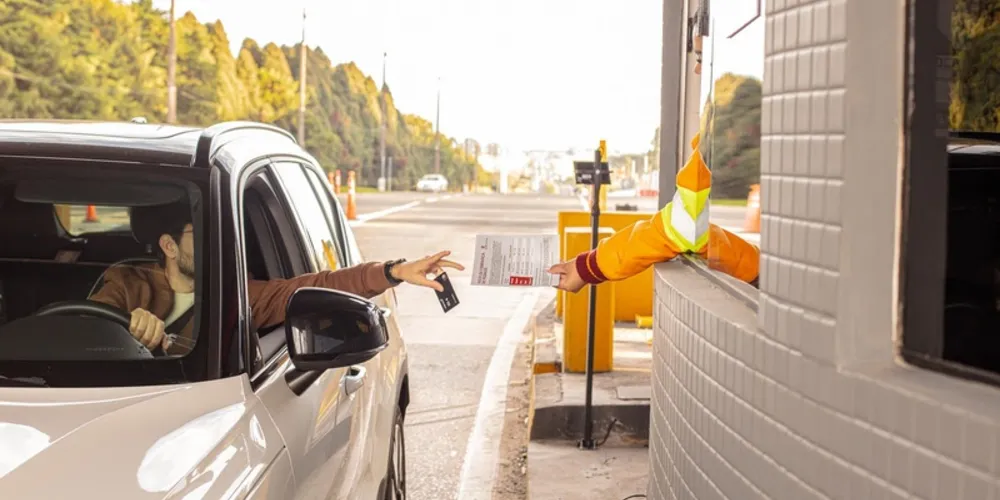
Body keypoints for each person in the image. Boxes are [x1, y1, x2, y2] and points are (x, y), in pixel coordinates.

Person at [90, 202, 463, 355]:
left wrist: (392, 272)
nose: (214, 242)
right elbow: (86, 331)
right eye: (198, 233)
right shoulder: (126, 285)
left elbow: (319, 285)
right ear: (169, 246)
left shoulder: (236, 293)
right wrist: (126, 331)